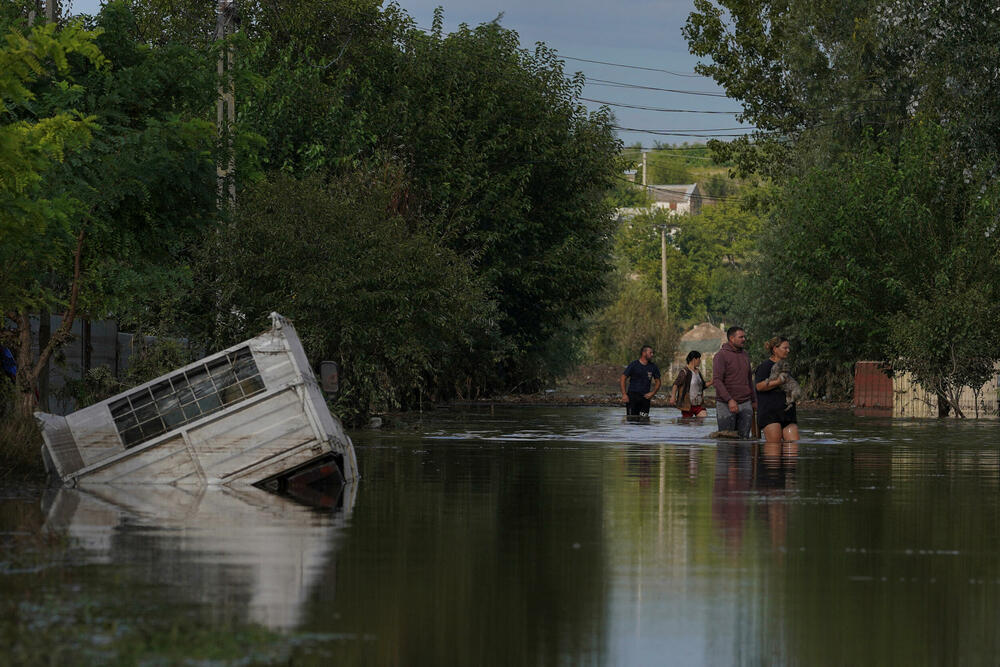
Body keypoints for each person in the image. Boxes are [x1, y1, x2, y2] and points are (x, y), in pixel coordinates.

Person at [712, 326, 757, 439]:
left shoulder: (745, 355)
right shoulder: (721, 356)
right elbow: (717, 381)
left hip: (745, 403)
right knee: (727, 440)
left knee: (744, 441)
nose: (744, 339)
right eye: (741, 337)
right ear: (731, 338)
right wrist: (730, 400)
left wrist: (754, 400)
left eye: (744, 337)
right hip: (725, 404)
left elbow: (749, 380)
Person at [754, 336, 801, 443]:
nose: (788, 351)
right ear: (775, 349)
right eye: (785, 348)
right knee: (774, 450)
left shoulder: (786, 366)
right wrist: (778, 382)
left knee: (793, 451)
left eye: (788, 348)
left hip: (788, 414)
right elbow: (759, 386)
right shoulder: (765, 366)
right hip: (770, 414)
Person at [620, 345, 661, 418]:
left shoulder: (653, 367)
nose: (652, 355)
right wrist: (624, 394)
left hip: (645, 398)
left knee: (644, 420)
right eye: (650, 353)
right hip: (632, 397)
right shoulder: (634, 365)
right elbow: (623, 378)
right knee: (631, 420)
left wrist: (652, 393)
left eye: (652, 353)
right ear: (644, 353)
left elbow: (658, 381)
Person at [669, 350, 713, 418]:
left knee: (703, 419)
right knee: (688, 425)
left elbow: (703, 386)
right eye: (699, 359)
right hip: (687, 405)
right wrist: (673, 397)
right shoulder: (684, 372)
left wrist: (712, 381)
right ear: (694, 359)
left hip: (699, 404)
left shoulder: (698, 372)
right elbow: (675, 384)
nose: (700, 361)